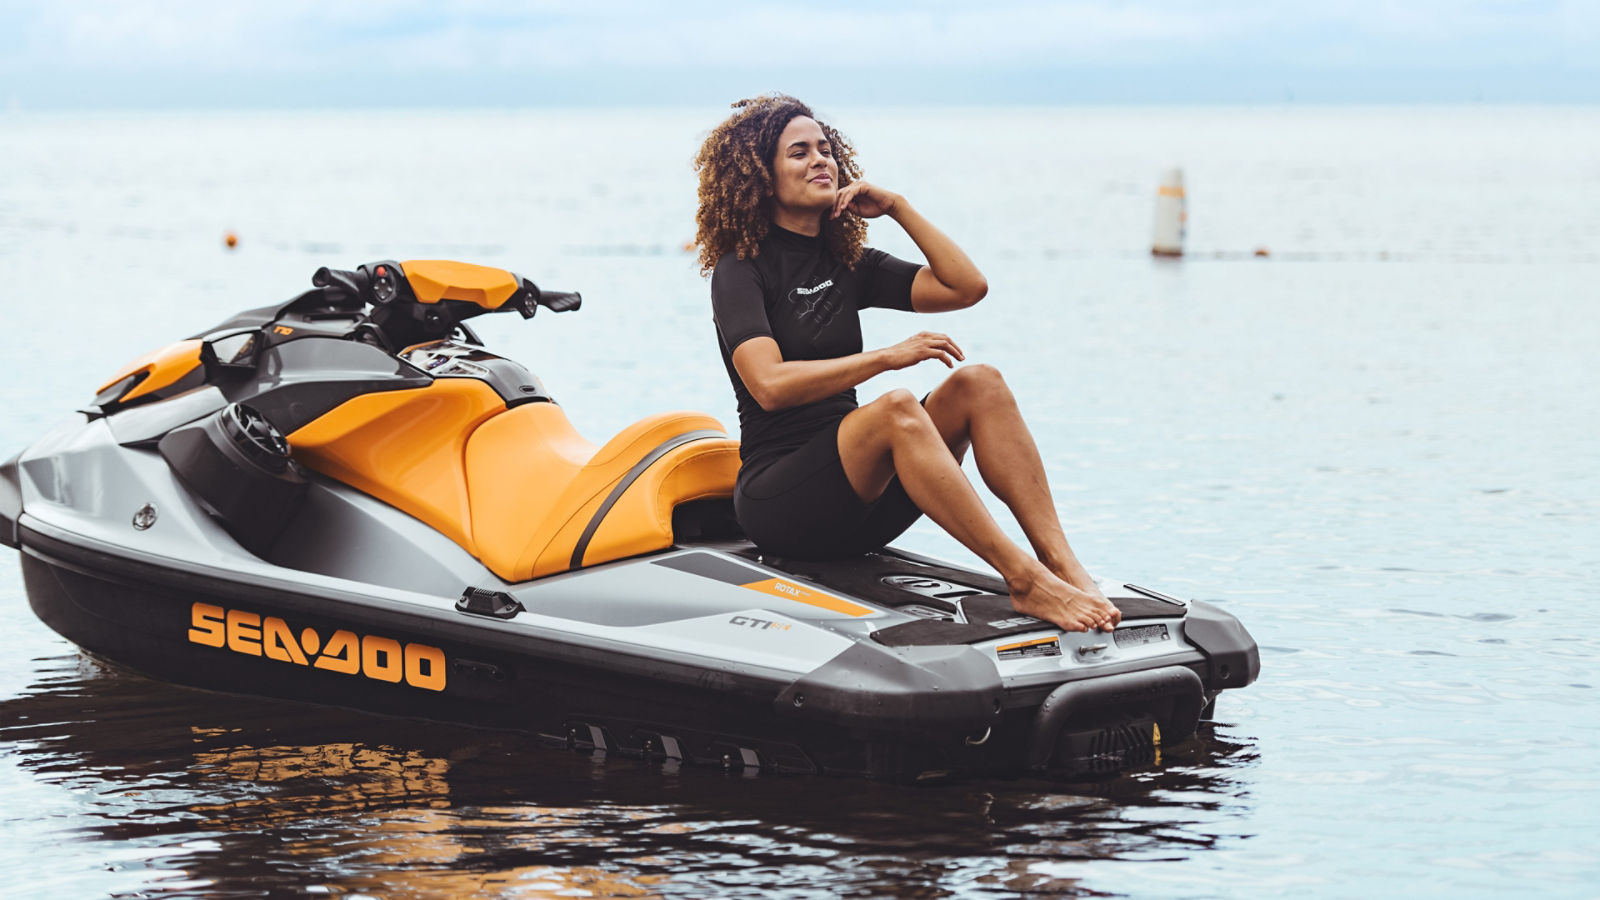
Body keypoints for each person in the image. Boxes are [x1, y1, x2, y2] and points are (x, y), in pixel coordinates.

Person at [693, 94, 1120, 633]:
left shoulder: (846, 262)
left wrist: (899, 207)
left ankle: (1060, 563)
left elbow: (966, 287)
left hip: (865, 503)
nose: (820, 160)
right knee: (895, 408)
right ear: (761, 177)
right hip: (784, 500)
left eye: (825, 149)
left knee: (978, 383)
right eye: (798, 153)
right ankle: (1024, 580)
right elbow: (769, 386)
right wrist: (887, 358)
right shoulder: (740, 269)